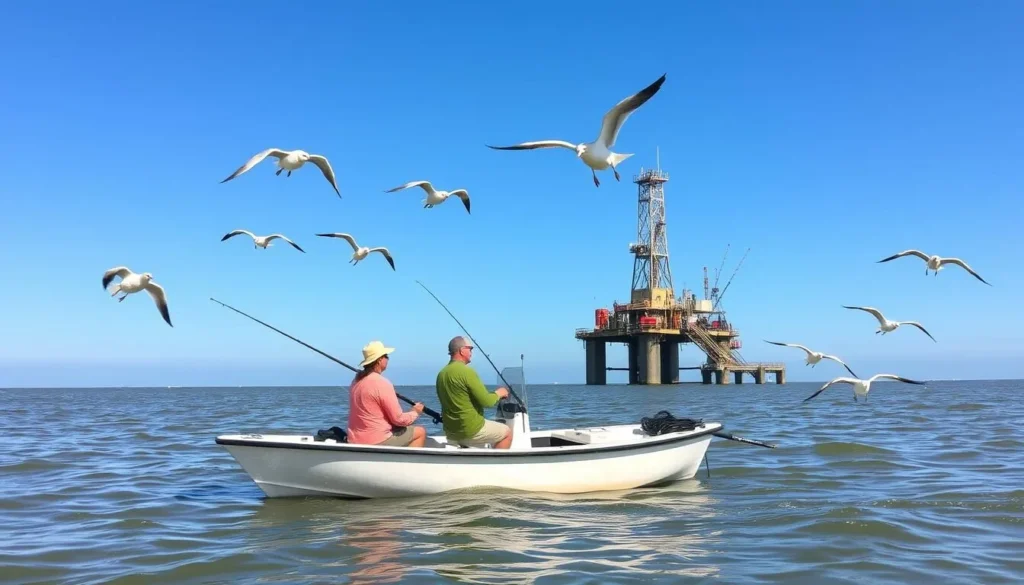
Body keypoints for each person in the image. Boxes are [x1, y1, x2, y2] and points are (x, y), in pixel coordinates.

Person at [435, 335, 512, 449]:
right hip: (471, 430)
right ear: (462, 350)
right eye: (470, 348)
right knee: (507, 433)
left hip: (451, 432)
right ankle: (496, 466)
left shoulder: (441, 374)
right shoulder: (467, 372)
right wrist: (500, 393)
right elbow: (487, 402)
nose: (471, 352)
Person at [346, 340, 427, 447]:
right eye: (386, 356)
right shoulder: (382, 383)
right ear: (380, 360)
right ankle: (409, 463)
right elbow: (399, 420)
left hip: (354, 439)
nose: (388, 359)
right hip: (376, 440)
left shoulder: (356, 381)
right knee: (420, 432)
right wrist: (415, 412)